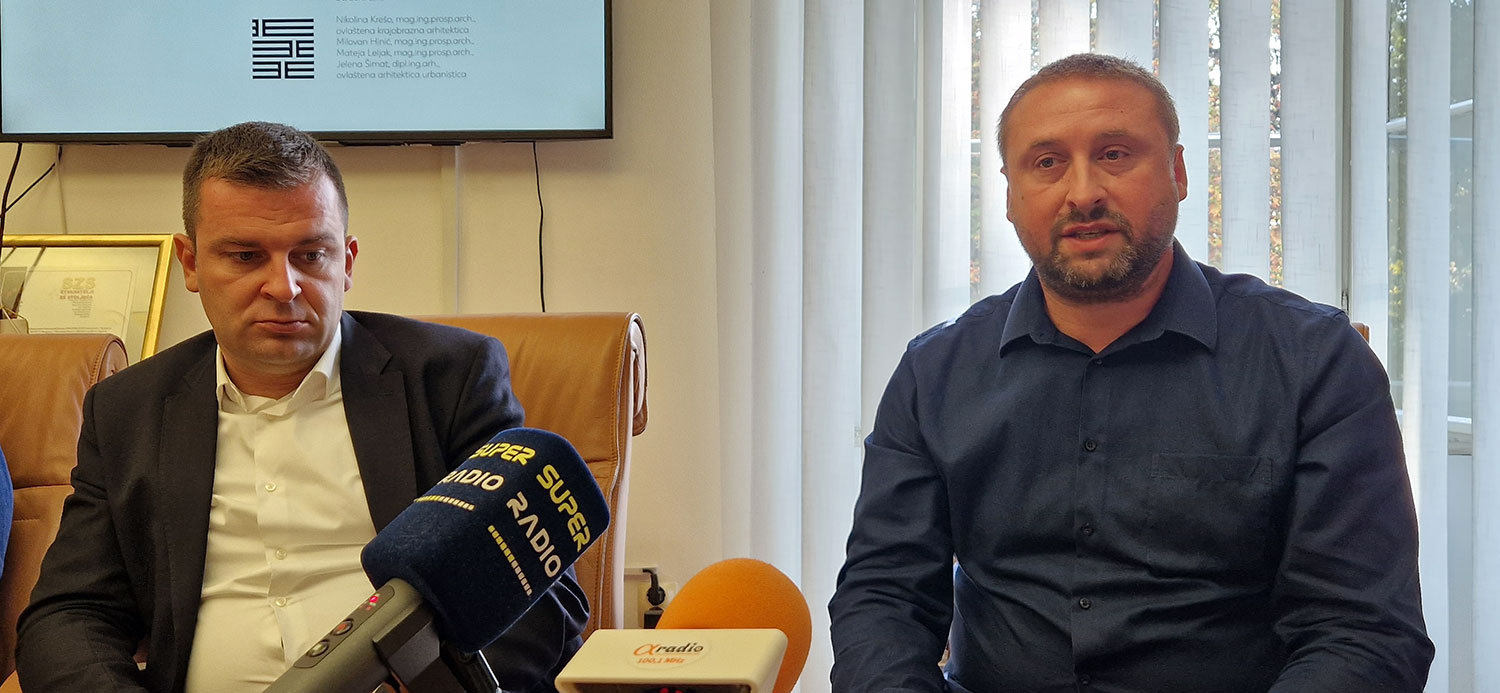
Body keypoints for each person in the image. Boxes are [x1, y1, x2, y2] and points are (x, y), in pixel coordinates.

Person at [829, 54, 1433, 692]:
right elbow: (884, 598)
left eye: (1115, 155)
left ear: (1178, 173)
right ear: (1009, 195)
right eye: (1047, 162)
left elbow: (1362, 629)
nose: (1083, 192)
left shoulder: (1313, 361)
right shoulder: (935, 371)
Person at [15, 121, 587, 692]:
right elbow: (70, 614)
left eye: (311, 255)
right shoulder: (128, 409)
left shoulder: (450, 380)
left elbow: (541, 597)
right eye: (245, 256)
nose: (283, 287)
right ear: (190, 263)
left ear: (348, 261)